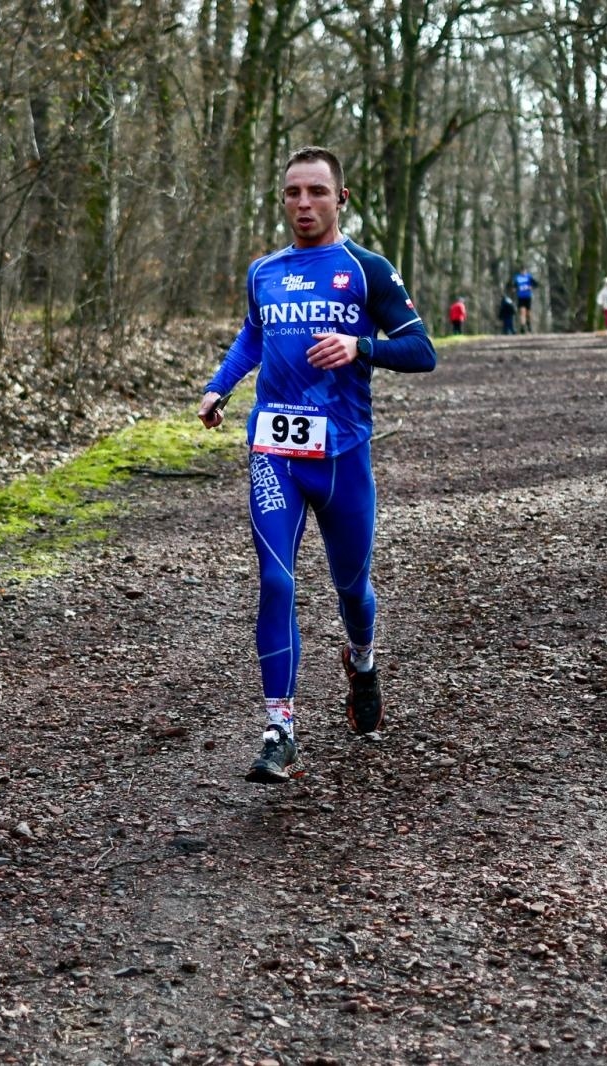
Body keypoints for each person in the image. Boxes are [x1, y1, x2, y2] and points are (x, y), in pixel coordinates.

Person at [197, 146, 437, 784]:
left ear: (341, 199)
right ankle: (279, 729)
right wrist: (219, 387)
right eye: (293, 193)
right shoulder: (264, 272)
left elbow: (422, 350)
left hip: (342, 455)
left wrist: (361, 346)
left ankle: (362, 660)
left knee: (352, 589)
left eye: (317, 192)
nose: (304, 204)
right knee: (276, 581)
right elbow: (253, 334)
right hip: (274, 449)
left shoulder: (366, 270)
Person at [512, 267, 536, 332]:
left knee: (528, 313)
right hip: (521, 297)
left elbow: (536, 284)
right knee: (522, 312)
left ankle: (529, 324)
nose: (523, 272)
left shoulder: (529, 277)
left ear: (526, 271)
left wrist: (531, 287)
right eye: (522, 271)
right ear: (520, 271)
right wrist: (514, 289)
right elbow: (514, 285)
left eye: (524, 271)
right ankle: (522, 327)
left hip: (528, 296)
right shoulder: (517, 277)